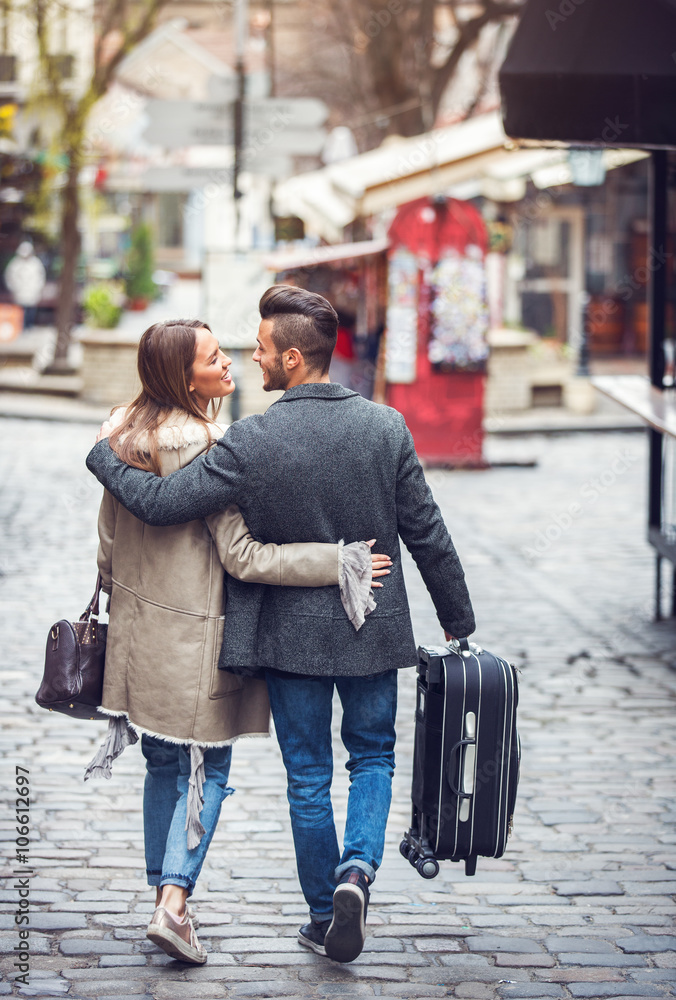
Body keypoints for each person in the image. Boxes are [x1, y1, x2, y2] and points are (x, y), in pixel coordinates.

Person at [86, 286, 475, 964]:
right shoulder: (385, 426)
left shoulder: (253, 439)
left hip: (291, 635)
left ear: (293, 359)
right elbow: (426, 530)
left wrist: (100, 456)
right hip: (372, 625)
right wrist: (457, 619)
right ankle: (356, 873)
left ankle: (326, 914)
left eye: (262, 350)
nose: (253, 359)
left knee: (307, 775)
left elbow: (163, 500)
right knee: (374, 756)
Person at [4, 241, 46, 329]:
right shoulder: (15, 264)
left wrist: (37, 288)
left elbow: (40, 277)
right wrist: (14, 287)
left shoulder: (35, 263)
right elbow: (9, 277)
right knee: (20, 311)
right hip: (19, 292)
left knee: (31, 311)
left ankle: (29, 326)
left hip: (32, 292)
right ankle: (20, 327)